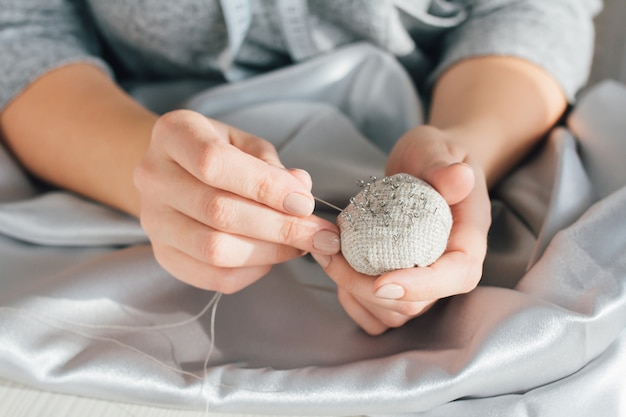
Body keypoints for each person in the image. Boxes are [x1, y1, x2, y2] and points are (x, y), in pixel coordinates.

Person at [0, 0, 601, 335]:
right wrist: (144, 168)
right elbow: (22, 30)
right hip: (107, 158)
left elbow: (534, 10)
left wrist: (463, 155)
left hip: (471, 128)